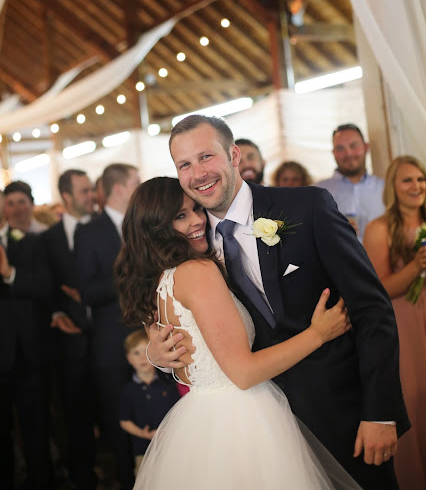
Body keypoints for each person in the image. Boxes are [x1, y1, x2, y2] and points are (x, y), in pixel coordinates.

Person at [147, 115, 409, 490]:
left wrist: (381, 413)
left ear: (233, 154)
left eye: (206, 157)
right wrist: (156, 351)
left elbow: (372, 308)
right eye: (184, 164)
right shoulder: (191, 239)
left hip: (343, 415)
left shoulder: (308, 207)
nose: (198, 173)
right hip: (261, 432)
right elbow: (175, 310)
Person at [115, 176, 359, 489]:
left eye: (195, 209)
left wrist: (154, 355)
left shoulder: (157, 280)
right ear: (155, 228)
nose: (197, 221)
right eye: (180, 216)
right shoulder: (197, 273)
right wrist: (318, 334)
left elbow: (173, 354)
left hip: (200, 421)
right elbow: (243, 373)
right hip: (241, 417)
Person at [75, 163, 140, 490]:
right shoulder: (89, 231)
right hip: (112, 342)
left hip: (151, 336)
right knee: (119, 423)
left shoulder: (142, 222)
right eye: (135, 183)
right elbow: (87, 290)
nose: (139, 187)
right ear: (119, 189)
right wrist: (132, 272)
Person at [363, 155, 426, 490]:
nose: (416, 186)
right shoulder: (379, 229)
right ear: (393, 186)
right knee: (415, 399)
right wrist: (416, 267)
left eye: (421, 179)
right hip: (406, 323)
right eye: (407, 180)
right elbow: (379, 291)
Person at [43, 169, 97, 490]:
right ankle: (84, 479)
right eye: (84, 191)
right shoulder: (47, 240)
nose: (91, 196)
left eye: (93, 190)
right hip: (70, 342)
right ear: (67, 196)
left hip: (108, 337)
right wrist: (55, 312)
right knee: (76, 417)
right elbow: (48, 287)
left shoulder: (107, 229)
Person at [0, 193, 53, 489]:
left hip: (29, 353)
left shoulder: (30, 241)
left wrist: (9, 274)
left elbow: (45, 285)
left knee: (36, 432)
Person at [119, 329, 180, 478]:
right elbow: (124, 421)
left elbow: (178, 411)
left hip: (171, 446)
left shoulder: (168, 385)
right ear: (129, 359)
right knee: (147, 479)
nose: (142, 358)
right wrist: (143, 434)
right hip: (144, 451)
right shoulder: (129, 391)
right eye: (136, 353)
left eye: (146, 351)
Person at [315, 124, 384, 242]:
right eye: (340, 148)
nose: (348, 153)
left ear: (366, 147)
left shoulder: (384, 188)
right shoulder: (318, 191)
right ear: (333, 153)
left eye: (353, 146)